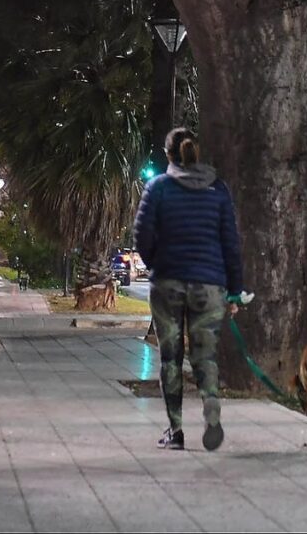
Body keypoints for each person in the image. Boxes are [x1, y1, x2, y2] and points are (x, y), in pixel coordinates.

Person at [133, 127, 243, 452]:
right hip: (209, 284)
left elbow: (142, 235)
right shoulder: (218, 190)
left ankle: (176, 430)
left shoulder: (158, 189)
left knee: (170, 358)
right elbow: (230, 243)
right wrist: (235, 290)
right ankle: (211, 413)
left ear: (169, 155)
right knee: (204, 355)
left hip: (167, 282)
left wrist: (157, 263)